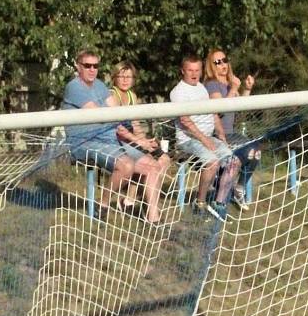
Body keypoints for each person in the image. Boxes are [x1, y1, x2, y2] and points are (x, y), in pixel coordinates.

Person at [61, 50, 135, 214]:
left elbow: (116, 111)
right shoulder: (74, 87)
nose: (92, 69)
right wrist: (127, 131)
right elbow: (101, 116)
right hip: (84, 142)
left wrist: (137, 137)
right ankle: (103, 205)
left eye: (96, 66)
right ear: (78, 67)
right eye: (87, 65)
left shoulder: (100, 85)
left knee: (152, 164)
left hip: (108, 136)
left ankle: (150, 216)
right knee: (127, 165)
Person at [170, 54, 239, 223]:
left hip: (207, 136)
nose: (194, 74)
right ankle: (199, 202)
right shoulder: (178, 92)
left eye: (197, 70)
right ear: (182, 71)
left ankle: (218, 203)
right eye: (190, 70)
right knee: (212, 162)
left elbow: (213, 113)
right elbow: (185, 121)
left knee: (234, 161)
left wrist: (221, 135)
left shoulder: (201, 87)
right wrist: (204, 140)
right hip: (188, 140)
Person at [109, 60, 171, 224]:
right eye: (121, 76)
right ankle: (152, 215)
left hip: (132, 140)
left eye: (128, 77)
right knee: (152, 165)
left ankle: (133, 199)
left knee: (164, 159)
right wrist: (140, 142)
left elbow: (136, 125)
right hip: (118, 141)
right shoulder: (112, 95)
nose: (124, 80)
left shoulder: (132, 96)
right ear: (114, 78)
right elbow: (118, 128)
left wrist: (146, 140)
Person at [203, 48, 256, 211]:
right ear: (211, 66)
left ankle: (238, 189)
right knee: (238, 157)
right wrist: (233, 89)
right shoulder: (212, 84)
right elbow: (219, 111)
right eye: (217, 62)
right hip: (217, 135)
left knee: (255, 151)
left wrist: (246, 89)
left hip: (232, 133)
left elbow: (241, 110)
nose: (222, 65)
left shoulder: (229, 83)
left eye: (224, 60)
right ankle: (219, 201)